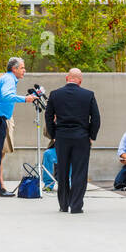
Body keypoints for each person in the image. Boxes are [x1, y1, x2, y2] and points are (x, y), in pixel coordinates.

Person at [45, 67, 101, 214]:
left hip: (62, 137)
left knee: (62, 171)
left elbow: (48, 117)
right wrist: (91, 136)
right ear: (80, 81)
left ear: (66, 78)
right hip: (81, 137)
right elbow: (96, 118)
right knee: (79, 172)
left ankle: (63, 205)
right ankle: (76, 206)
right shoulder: (88, 95)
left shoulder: (55, 94)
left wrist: (53, 135)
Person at [0, 56, 36, 197]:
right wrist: (25, 99)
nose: (24, 70)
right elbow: (7, 96)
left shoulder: (9, 79)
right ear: (14, 69)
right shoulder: (9, 79)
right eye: (22, 67)